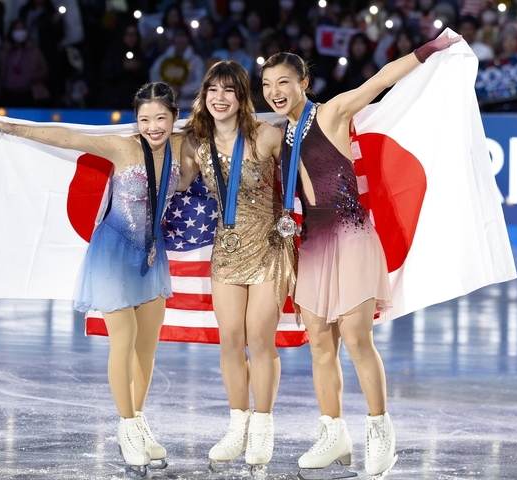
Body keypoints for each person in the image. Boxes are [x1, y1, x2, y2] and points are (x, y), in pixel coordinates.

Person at [260, 33, 460, 478]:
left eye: (284, 82)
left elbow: (379, 80)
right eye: (267, 84)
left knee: (355, 339)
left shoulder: (331, 112)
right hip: (312, 242)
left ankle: (380, 430)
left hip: (351, 234)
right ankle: (334, 434)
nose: (274, 91)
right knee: (319, 344)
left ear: (303, 83)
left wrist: (427, 50)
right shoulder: (278, 133)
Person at [0, 82, 186, 475]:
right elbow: (68, 137)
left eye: (161, 118)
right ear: (136, 120)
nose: (153, 126)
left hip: (151, 253)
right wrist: (14, 128)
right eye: (144, 119)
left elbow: (224, 130)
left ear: (174, 117)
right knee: (124, 340)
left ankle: (138, 419)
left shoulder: (182, 146)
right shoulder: (122, 147)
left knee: (147, 347)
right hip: (112, 252)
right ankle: (126, 427)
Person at [178, 60, 296, 472]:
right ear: (204, 95)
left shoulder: (266, 135)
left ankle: (262, 426)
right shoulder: (194, 144)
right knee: (230, 338)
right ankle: (237, 424)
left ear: (242, 96)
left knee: (259, 337)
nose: (220, 97)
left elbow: (302, 172)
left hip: (269, 247)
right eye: (213, 89)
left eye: (229, 89)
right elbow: (178, 184)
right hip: (226, 250)